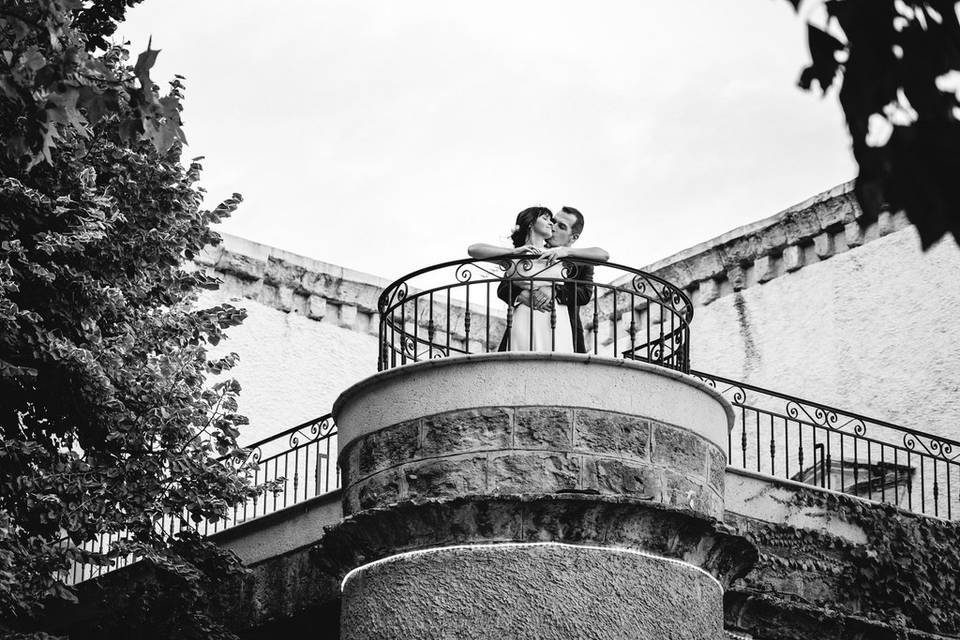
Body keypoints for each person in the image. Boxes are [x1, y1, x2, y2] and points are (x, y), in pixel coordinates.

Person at [467, 206, 609, 353]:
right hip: (523, 319)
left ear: (573, 237)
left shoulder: (571, 258)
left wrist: (555, 289)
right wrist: (522, 294)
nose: (553, 226)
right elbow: (503, 287)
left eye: (561, 226)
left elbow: (586, 291)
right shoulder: (522, 254)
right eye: (551, 221)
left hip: (559, 322)